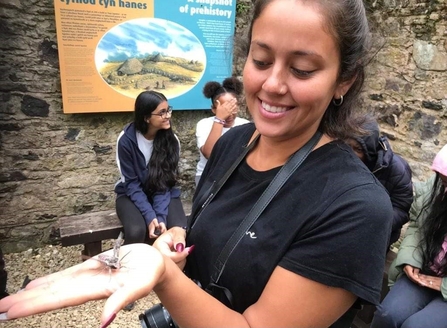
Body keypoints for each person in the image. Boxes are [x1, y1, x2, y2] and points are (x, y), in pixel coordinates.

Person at [0, 1, 393, 327]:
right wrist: (174, 242)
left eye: (302, 69)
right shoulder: (234, 142)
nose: (272, 84)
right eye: (260, 60)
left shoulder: (354, 207)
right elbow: (210, 235)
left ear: (344, 79)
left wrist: (163, 275)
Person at [370, 145, 447, 328]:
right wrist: (411, 258)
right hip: (427, 270)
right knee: (387, 315)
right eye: (444, 182)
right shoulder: (435, 189)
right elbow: (417, 225)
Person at [114, 90, 187, 244]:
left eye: (168, 110)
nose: (168, 116)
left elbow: (165, 182)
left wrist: (159, 216)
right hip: (131, 193)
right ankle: (133, 266)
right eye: (162, 113)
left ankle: (172, 267)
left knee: (177, 230)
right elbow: (131, 184)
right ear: (146, 117)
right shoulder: (126, 141)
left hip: (162, 190)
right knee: (136, 231)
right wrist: (149, 216)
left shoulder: (172, 141)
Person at [346, 118, 413, 248]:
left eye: (357, 149)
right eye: (348, 146)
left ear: (370, 150)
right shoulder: (341, 159)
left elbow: (401, 209)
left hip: (377, 234)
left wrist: (373, 223)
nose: (351, 153)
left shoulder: (398, 169)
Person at [195, 77, 250, 186]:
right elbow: (209, 154)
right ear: (214, 109)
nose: (229, 114)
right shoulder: (204, 124)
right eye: (224, 109)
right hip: (208, 176)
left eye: (232, 107)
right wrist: (219, 119)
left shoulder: (245, 125)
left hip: (235, 177)